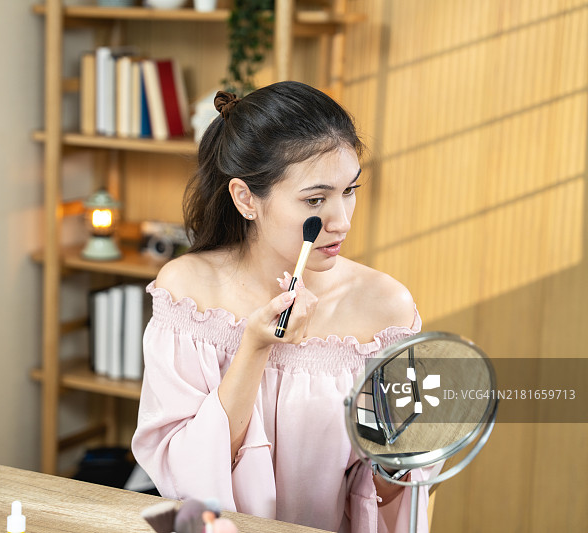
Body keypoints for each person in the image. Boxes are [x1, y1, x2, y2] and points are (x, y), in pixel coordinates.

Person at [131, 81, 437, 532]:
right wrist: (254, 348)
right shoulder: (188, 292)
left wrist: (397, 462)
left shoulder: (386, 307)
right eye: (315, 200)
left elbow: (392, 495)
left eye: (349, 190)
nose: (341, 221)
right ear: (245, 199)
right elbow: (183, 473)